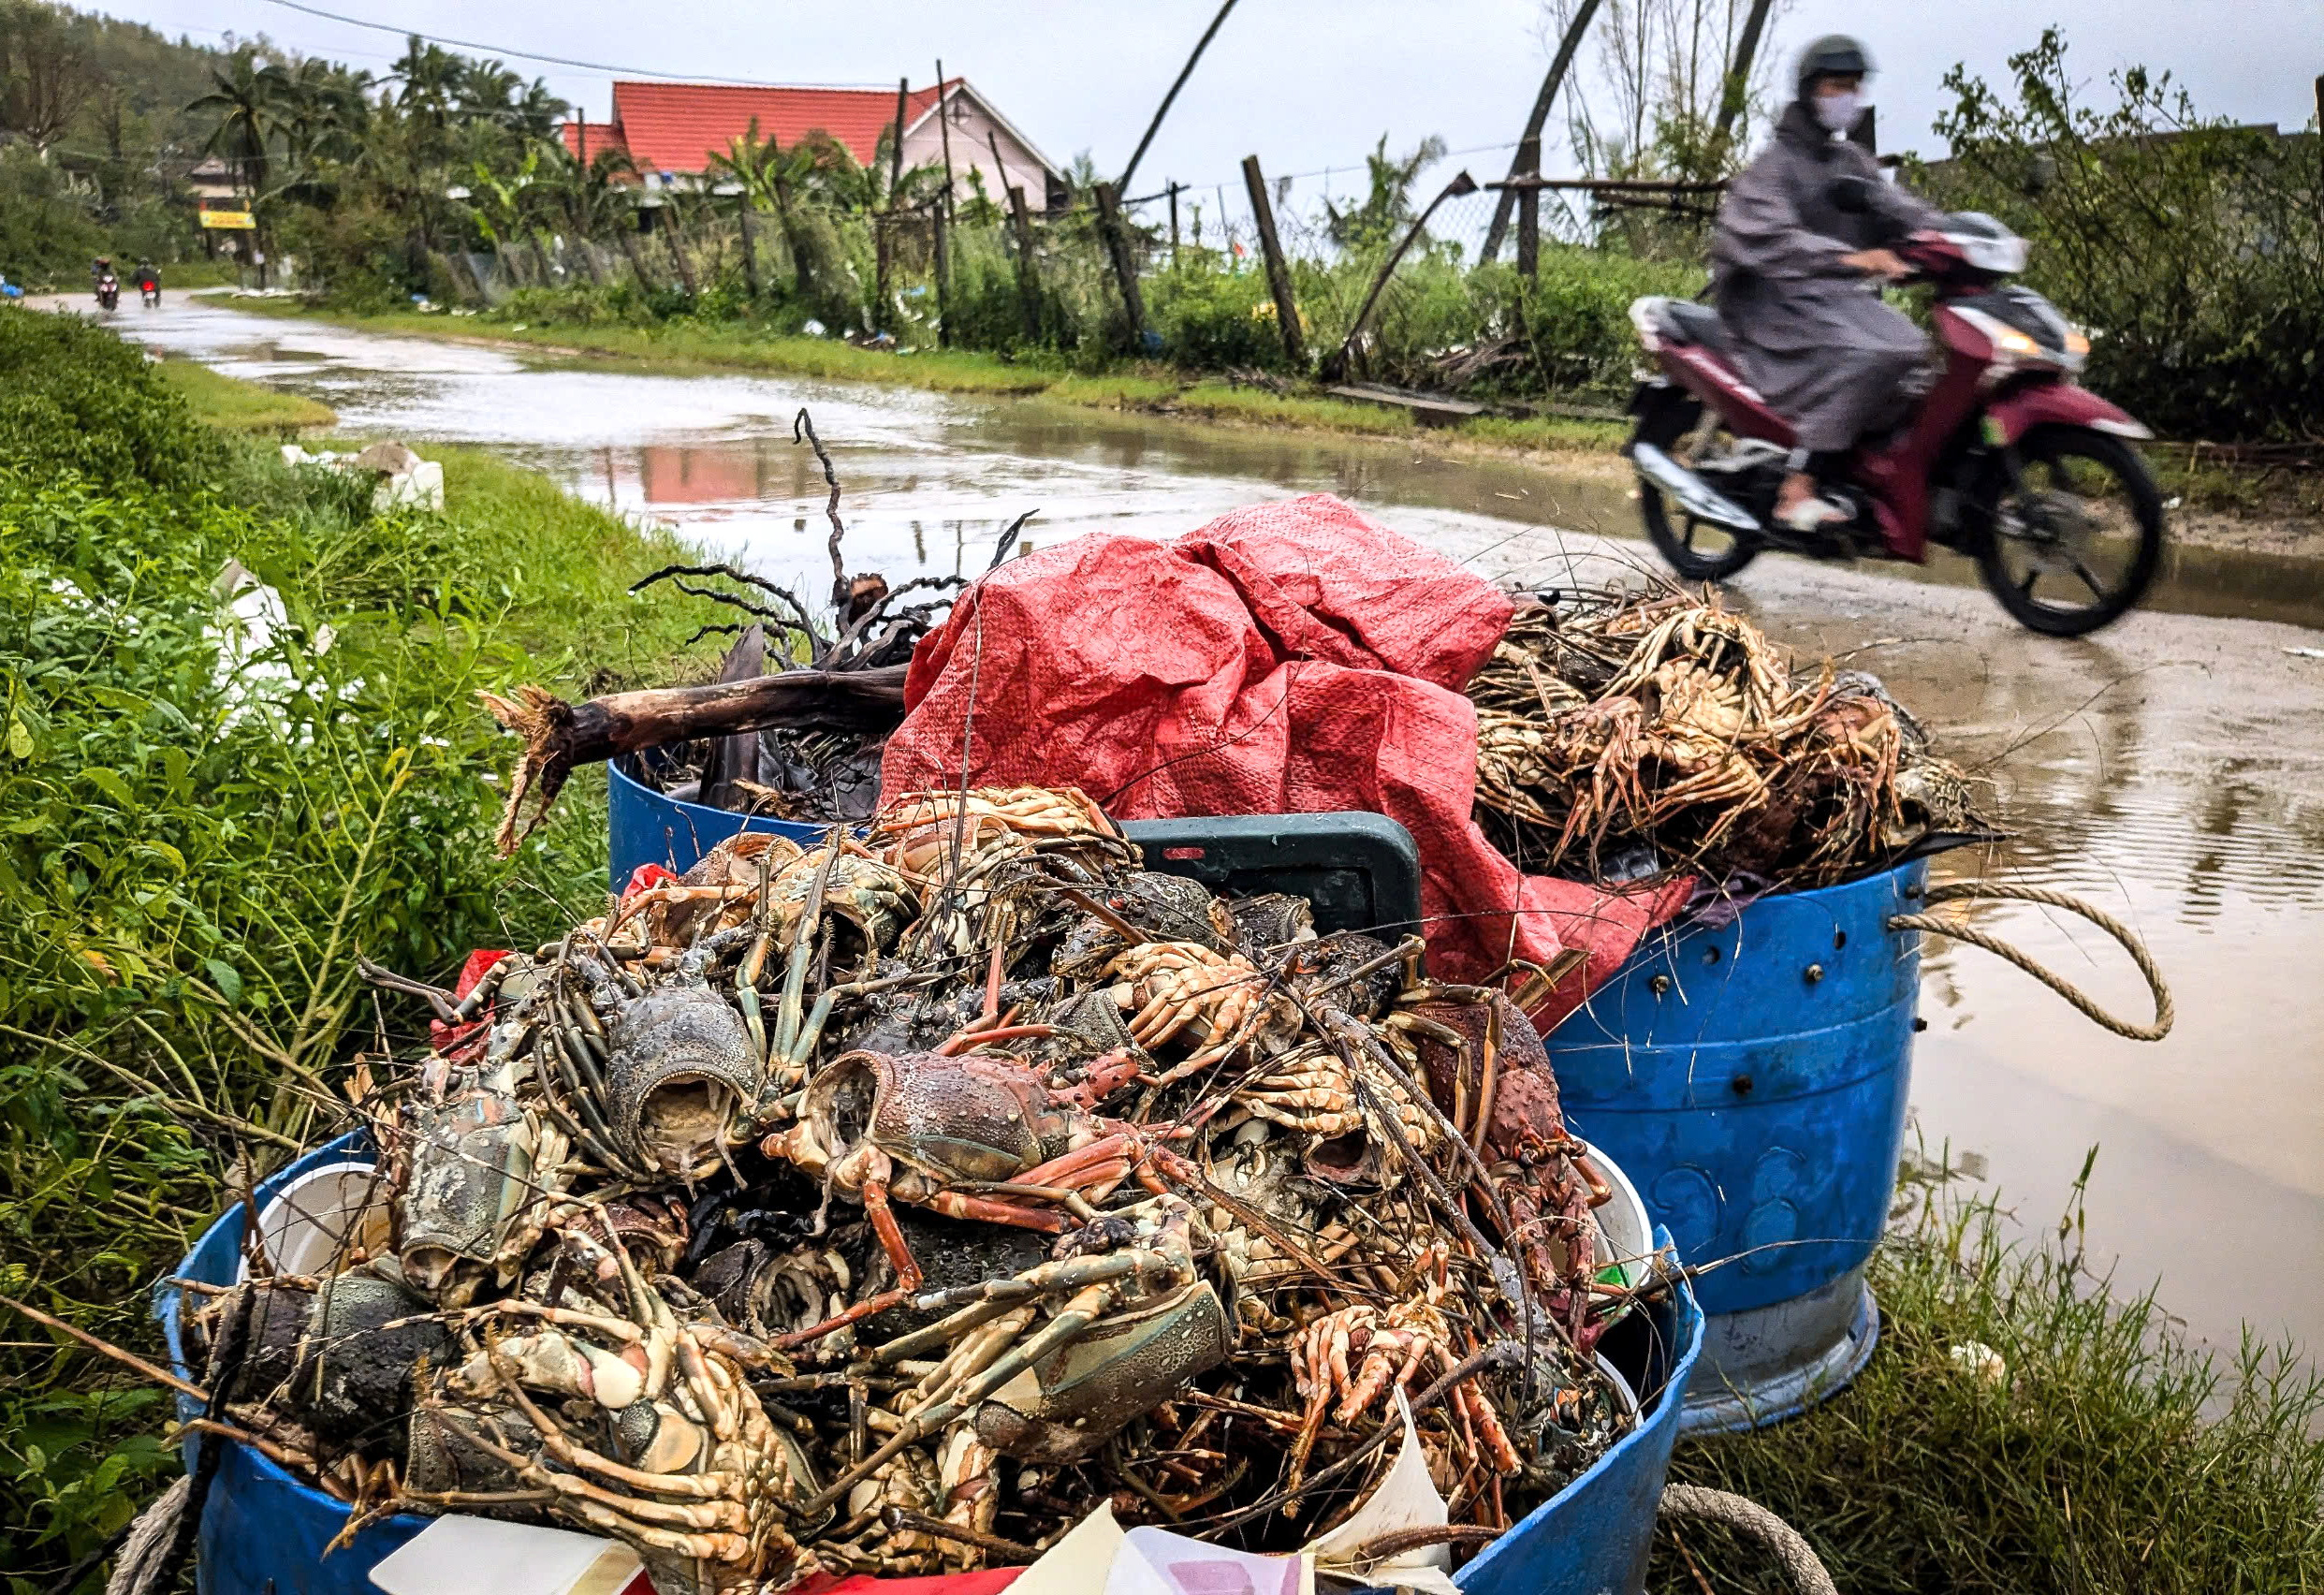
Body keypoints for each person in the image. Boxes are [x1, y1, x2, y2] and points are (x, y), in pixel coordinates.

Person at [1710, 35, 1942, 531]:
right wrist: (1855, 258)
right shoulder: (1770, 170)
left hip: (1832, 303)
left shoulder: (1851, 162)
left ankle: (1862, 472)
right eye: (1838, 85)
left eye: (1855, 87)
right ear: (1811, 89)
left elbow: (1898, 210)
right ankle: (1797, 488)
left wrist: (1951, 238)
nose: (1848, 98)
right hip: (1773, 311)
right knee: (1873, 353)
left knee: (1914, 349)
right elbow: (1774, 240)